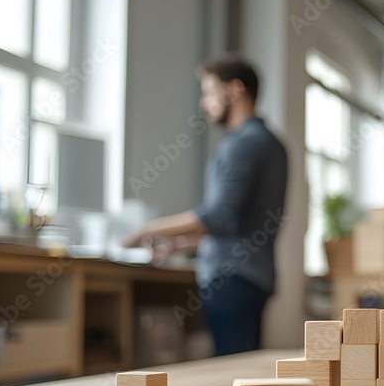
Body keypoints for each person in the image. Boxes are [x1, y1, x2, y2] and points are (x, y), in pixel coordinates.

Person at [123, 56, 288, 357]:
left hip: (231, 277)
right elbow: (236, 223)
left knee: (233, 371)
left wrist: (147, 229)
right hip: (253, 275)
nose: (204, 103)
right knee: (245, 371)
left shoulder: (243, 143)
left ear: (235, 90)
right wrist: (178, 246)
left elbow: (218, 213)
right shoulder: (271, 144)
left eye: (209, 92)